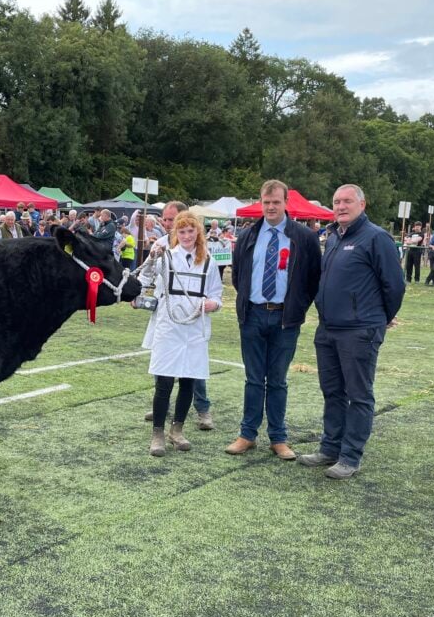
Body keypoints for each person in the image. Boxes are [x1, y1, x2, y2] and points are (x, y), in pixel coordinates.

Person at [297, 184, 405, 479]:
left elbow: (394, 284)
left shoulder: (376, 237)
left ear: (362, 204)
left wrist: (381, 317)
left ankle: (350, 456)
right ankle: (330, 448)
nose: (341, 206)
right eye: (337, 201)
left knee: (358, 395)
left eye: (347, 201)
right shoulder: (333, 236)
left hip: (359, 330)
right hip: (328, 328)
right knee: (332, 391)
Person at [226, 179, 321, 460]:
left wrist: (297, 307)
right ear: (261, 203)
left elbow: (313, 278)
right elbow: (238, 275)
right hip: (253, 315)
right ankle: (247, 434)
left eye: (276, 202)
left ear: (285, 203)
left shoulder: (303, 237)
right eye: (266, 203)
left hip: (285, 318)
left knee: (277, 380)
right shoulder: (247, 236)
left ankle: (278, 438)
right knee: (253, 379)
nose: (270, 207)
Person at [138, 211, 223, 456]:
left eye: (190, 231)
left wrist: (213, 305)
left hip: (195, 328)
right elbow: (145, 277)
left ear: (198, 232)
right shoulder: (166, 257)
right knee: (164, 382)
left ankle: (177, 430)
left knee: (188, 380)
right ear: (176, 234)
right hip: (170, 326)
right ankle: (157, 434)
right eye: (181, 231)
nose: (186, 236)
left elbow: (217, 294)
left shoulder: (209, 262)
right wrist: (151, 261)